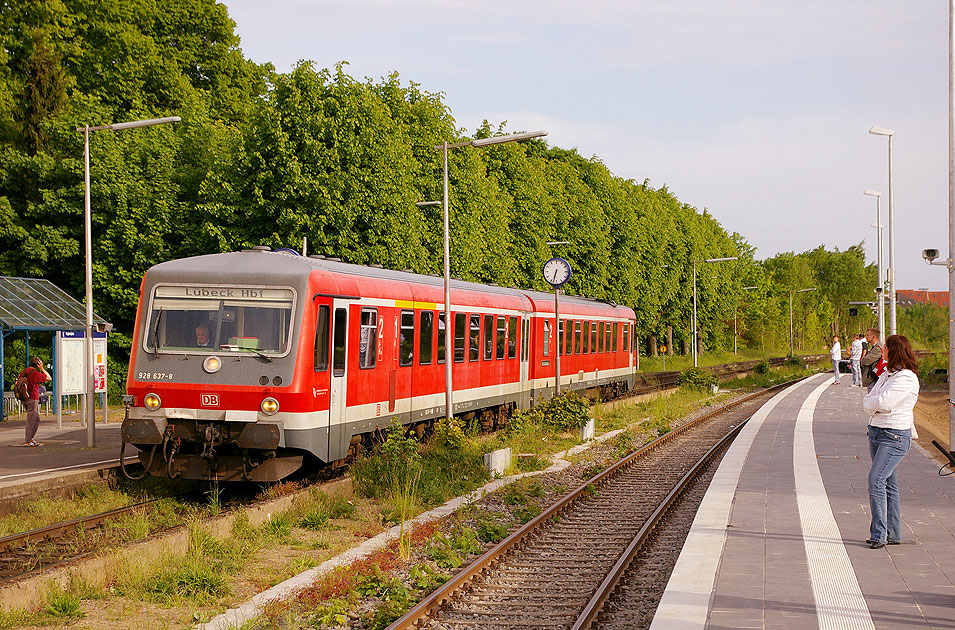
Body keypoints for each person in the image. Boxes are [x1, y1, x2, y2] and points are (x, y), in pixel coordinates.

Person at [862, 334, 919, 549]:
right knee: (888, 484)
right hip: (876, 432)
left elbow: (884, 402)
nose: (882, 350)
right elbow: (869, 399)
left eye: (886, 347)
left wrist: (874, 404)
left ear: (895, 351)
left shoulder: (906, 378)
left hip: (894, 436)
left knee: (876, 480)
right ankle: (893, 533)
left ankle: (879, 534)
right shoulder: (887, 374)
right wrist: (874, 404)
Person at [17, 356, 51, 447]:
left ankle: (31, 438)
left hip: (24, 398)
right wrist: (42, 368)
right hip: (32, 398)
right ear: (38, 364)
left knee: (36, 418)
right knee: (31, 419)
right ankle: (28, 440)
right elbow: (49, 378)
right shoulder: (35, 373)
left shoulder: (24, 372)